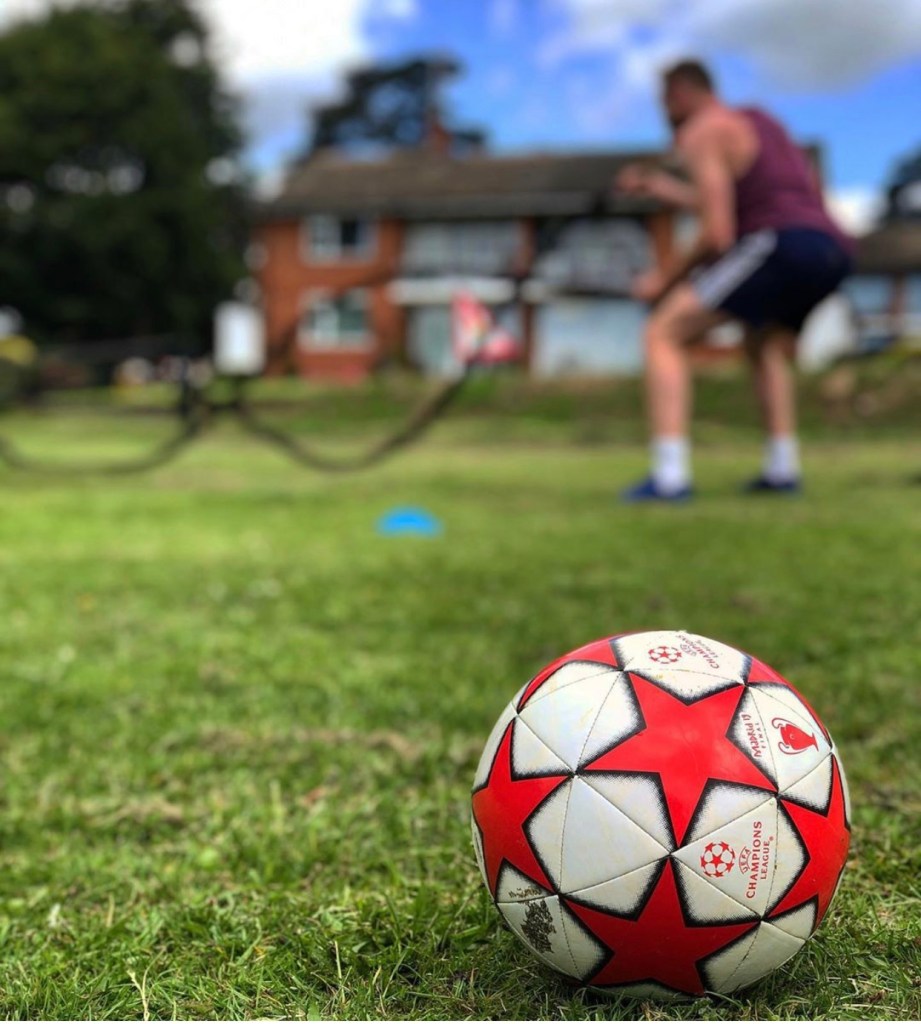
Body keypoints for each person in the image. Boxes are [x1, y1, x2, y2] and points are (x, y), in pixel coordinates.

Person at [617, 59, 853, 501]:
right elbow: (740, 202)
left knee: (663, 332)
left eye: (664, 103)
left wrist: (663, 280)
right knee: (761, 343)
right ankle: (782, 469)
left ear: (680, 94)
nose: (664, 114)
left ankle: (669, 478)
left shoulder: (702, 130)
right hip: (830, 248)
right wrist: (663, 188)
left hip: (777, 242)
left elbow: (717, 233)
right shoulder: (761, 121)